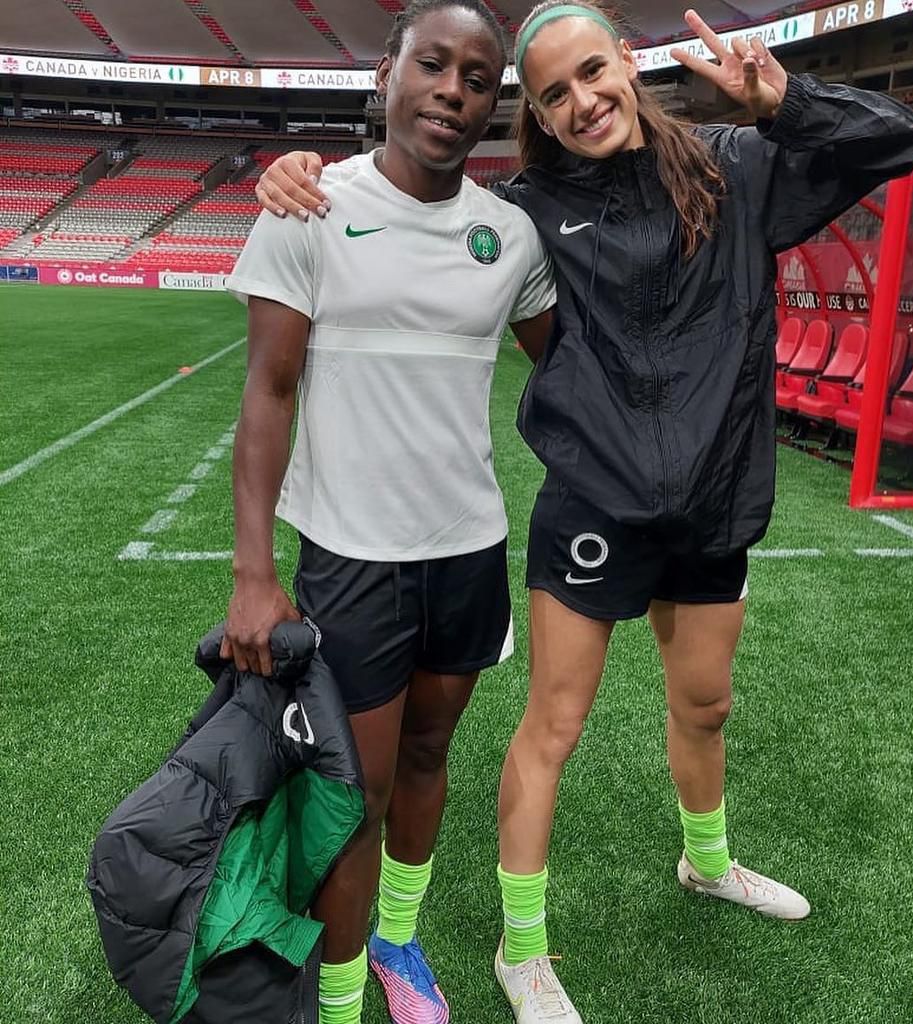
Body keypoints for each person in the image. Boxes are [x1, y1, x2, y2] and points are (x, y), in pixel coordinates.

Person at [257, 6, 913, 1021]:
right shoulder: (529, 208)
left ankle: (707, 861)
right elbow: (437, 215)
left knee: (705, 704)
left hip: (713, 506)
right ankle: (521, 952)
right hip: (595, 511)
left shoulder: (737, 166)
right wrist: (299, 169)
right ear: (535, 112)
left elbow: (900, 142)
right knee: (551, 726)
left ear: (628, 63)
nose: (582, 102)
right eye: (554, 92)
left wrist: (784, 99)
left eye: (592, 73)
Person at [221, 3, 556, 1023]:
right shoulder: (307, 208)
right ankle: (335, 992)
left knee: (426, 757)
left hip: (466, 552)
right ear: (389, 70)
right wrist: (252, 572)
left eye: (479, 77)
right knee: (350, 791)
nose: (454, 91)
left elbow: (569, 367)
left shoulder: (511, 234)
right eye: (435, 65)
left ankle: (396, 948)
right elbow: (267, 392)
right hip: (352, 558)